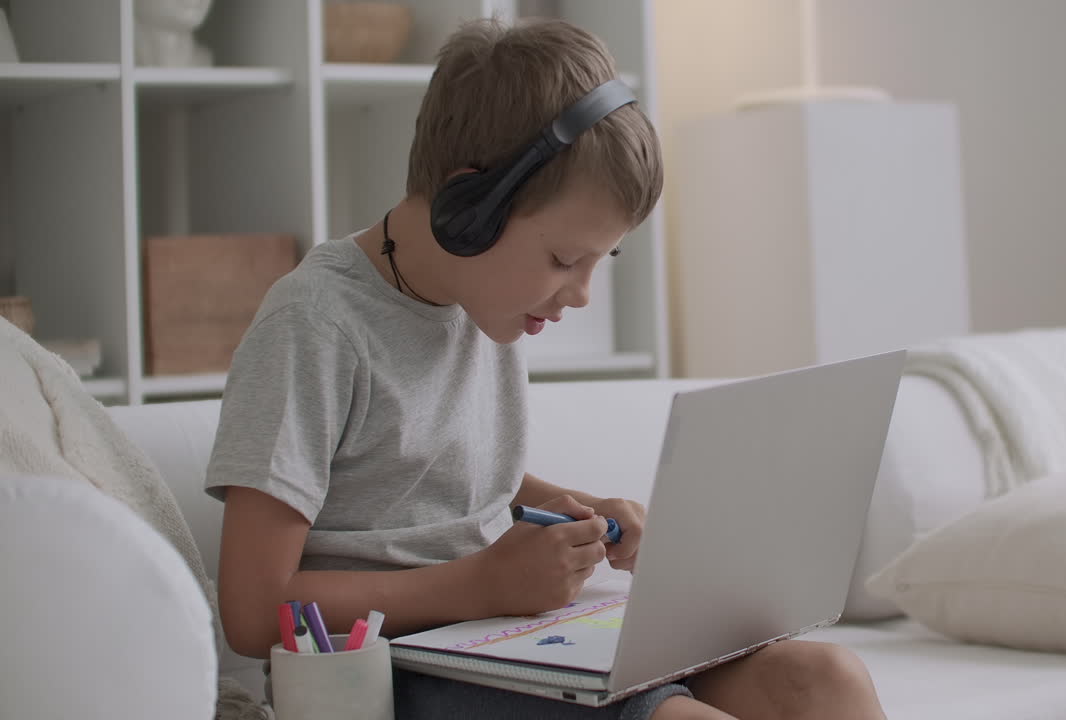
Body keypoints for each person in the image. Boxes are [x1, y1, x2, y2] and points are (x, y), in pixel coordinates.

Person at [205, 17, 887, 720]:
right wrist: (481, 585)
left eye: (600, 261)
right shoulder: (314, 324)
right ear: (471, 208)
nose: (581, 294)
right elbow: (253, 611)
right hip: (391, 669)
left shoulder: (478, 301)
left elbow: (423, 468)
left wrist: (575, 511)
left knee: (828, 678)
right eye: (565, 260)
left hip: (502, 639)